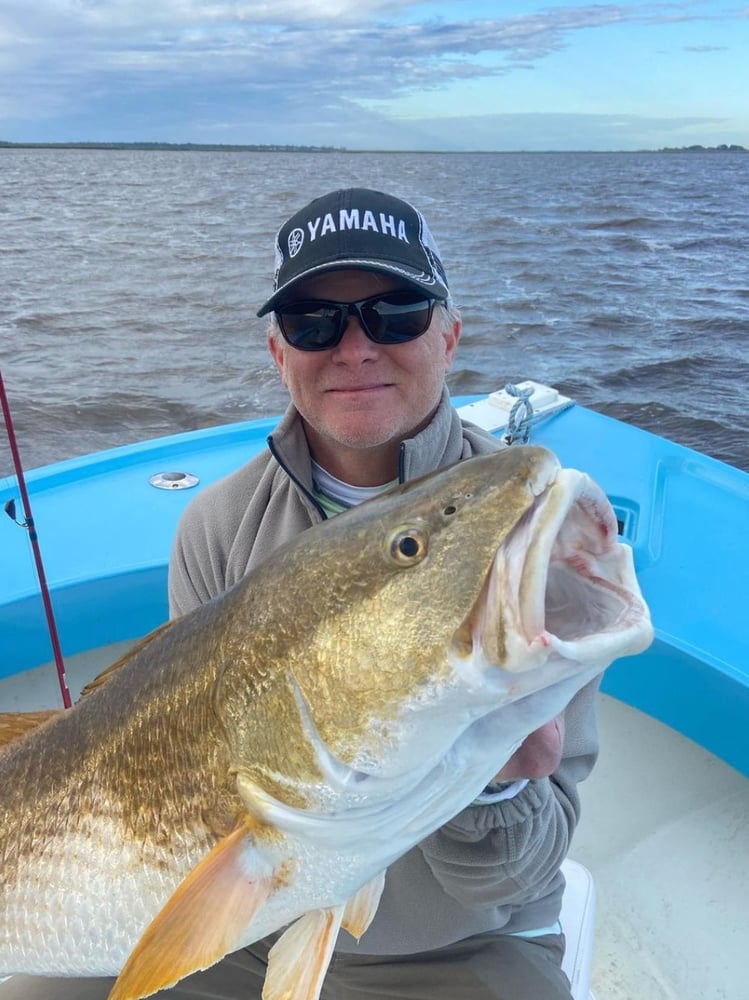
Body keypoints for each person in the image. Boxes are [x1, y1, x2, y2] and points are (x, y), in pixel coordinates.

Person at [0, 188, 599, 1000]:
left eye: (397, 314)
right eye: (314, 323)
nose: (354, 348)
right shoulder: (215, 526)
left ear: (450, 336)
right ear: (280, 356)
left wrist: (502, 783)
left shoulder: (512, 534)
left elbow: (507, 880)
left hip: (459, 951)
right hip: (249, 921)